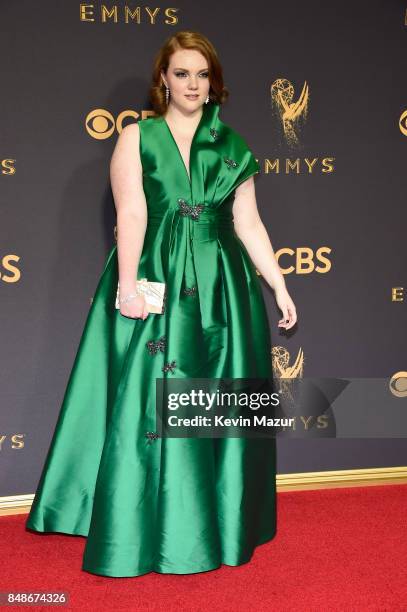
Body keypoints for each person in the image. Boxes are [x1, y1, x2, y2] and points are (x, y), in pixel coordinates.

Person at [26, 30, 297, 577]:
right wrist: (129, 286)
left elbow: (249, 222)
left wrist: (278, 283)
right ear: (163, 80)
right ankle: (144, 520)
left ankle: (220, 516)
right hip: (157, 276)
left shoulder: (235, 145)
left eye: (201, 74)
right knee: (149, 399)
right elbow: (132, 214)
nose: (192, 84)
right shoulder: (137, 137)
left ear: (213, 82)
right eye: (181, 73)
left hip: (224, 281)